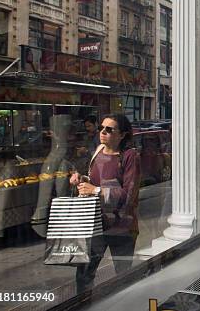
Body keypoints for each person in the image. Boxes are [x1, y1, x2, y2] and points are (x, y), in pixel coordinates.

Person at [70, 114, 141, 294]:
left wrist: (94, 190)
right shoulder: (98, 151)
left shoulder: (129, 156)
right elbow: (95, 182)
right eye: (102, 127)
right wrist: (82, 180)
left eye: (109, 129)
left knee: (123, 275)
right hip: (95, 223)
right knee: (84, 274)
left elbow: (129, 195)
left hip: (122, 226)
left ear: (122, 134)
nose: (103, 132)